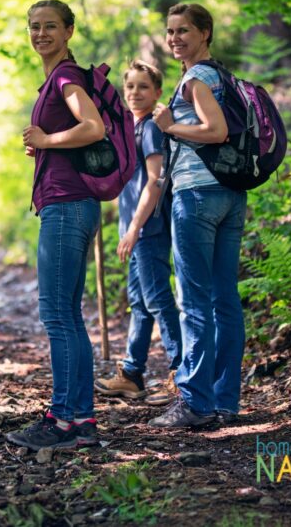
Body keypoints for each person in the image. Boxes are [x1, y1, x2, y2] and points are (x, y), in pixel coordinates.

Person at [5, 0, 105, 451]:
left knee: (58, 314)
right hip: (69, 204)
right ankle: (78, 418)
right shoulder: (55, 78)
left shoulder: (66, 77)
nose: (40, 33)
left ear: (68, 31)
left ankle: (64, 419)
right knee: (67, 314)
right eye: (34, 26)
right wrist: (47, 148)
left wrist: (48, 139)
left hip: (67, 206)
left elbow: (94, 127)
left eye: (50, 26)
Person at [149, 4, 247, 428]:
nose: (175, 39)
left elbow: (217, 131)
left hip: (197, 195)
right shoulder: (223, 76)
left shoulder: (196, 79)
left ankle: (195, 402)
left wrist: (170, 126)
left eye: (184, 31)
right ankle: (225, 400)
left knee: (194, 302)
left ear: (205, 32)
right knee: (225, 300)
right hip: (230, 193)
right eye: (170, 32)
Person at [95, 60, 182, 405]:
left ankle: (181, 373)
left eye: (143, 87)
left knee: (159, 301)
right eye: (129, 86)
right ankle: (132, 374)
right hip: (133, 229)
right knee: (140, 304)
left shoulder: (150, 129)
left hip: (149, 228)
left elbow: (155, 181)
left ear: (157, 92)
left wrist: (134, 228)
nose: (135, 93)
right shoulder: (129, 128)